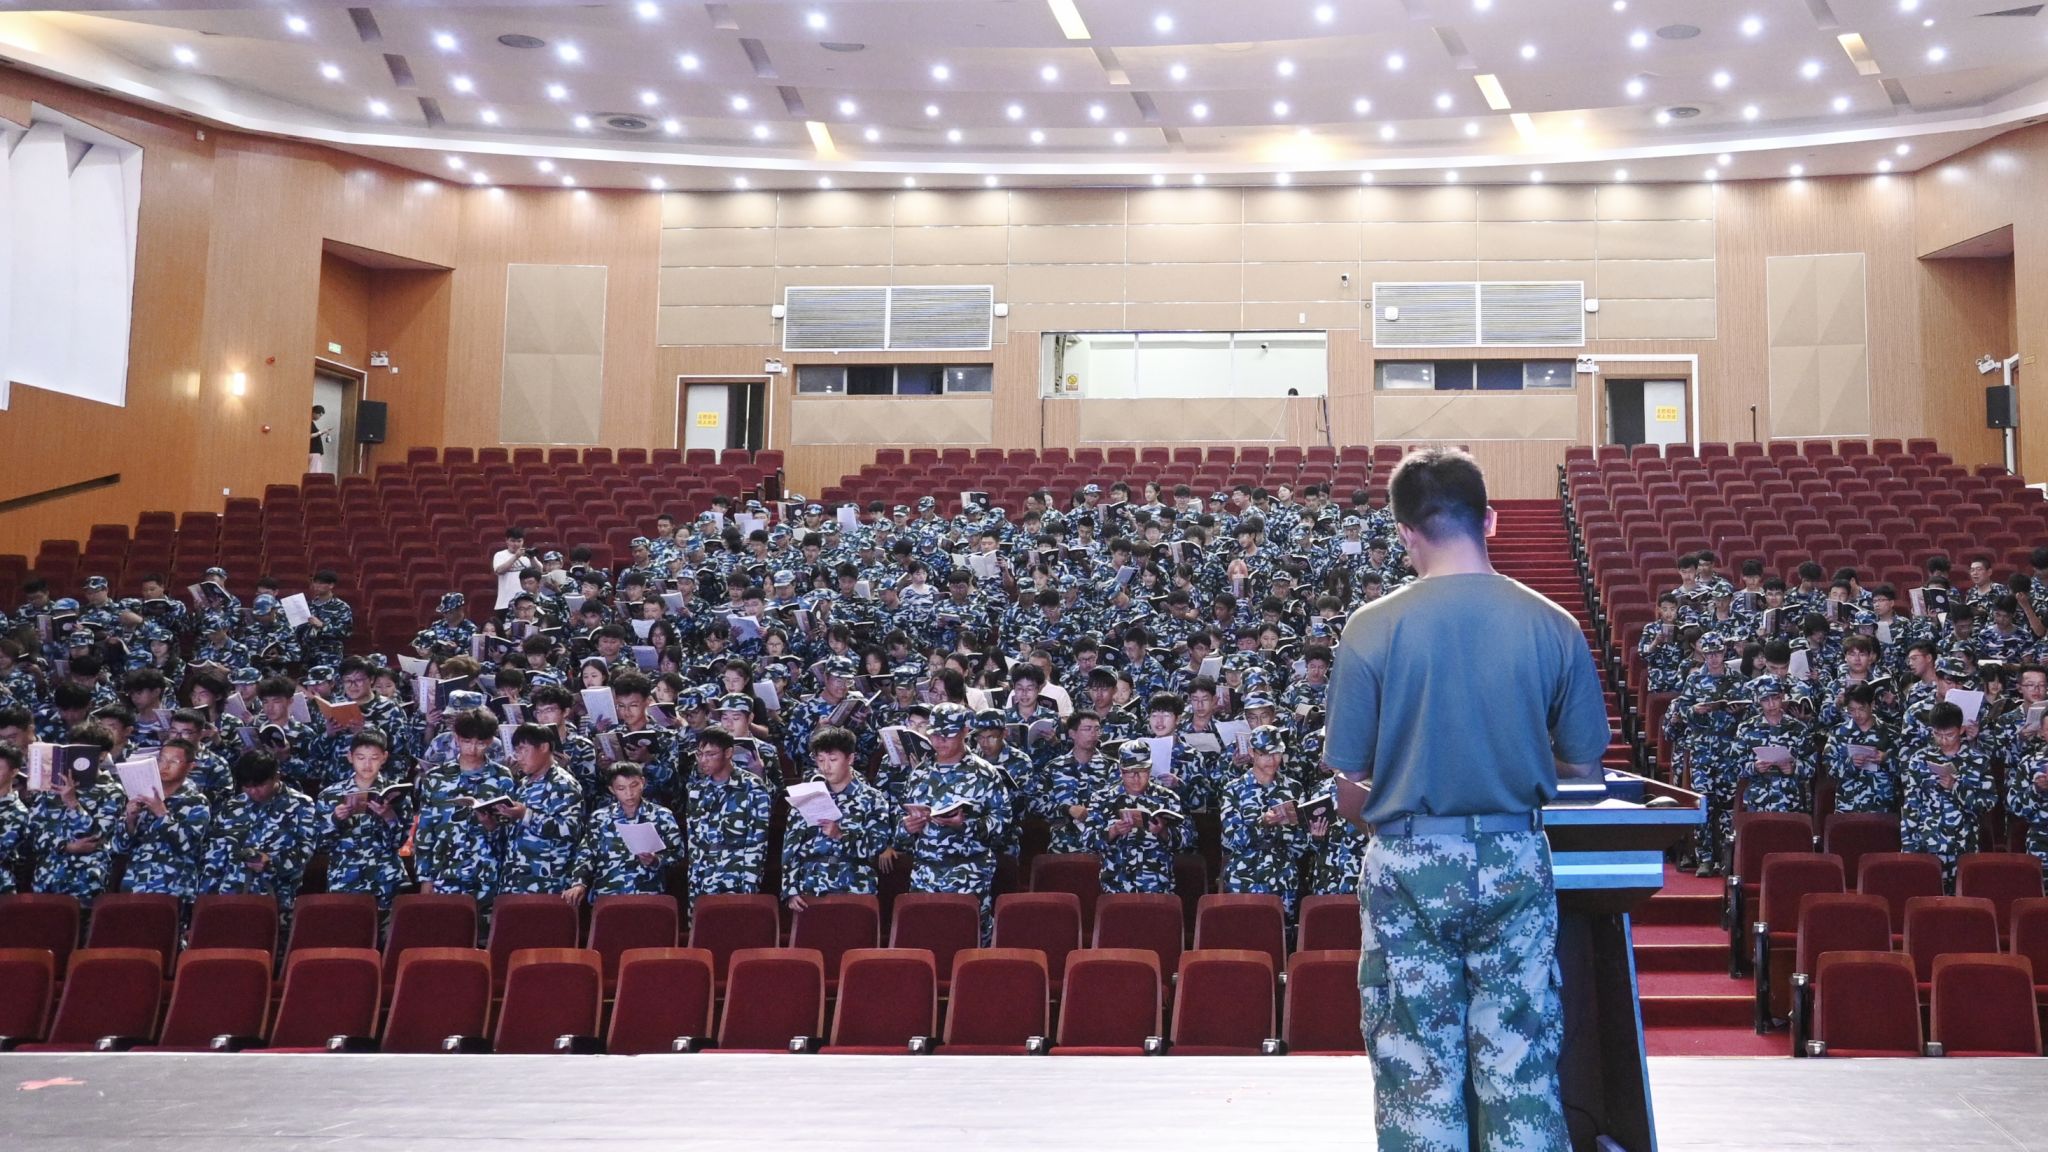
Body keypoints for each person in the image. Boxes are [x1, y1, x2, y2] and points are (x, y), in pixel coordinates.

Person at [1322, 448, 1610, 1152]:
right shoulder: (1553, 624)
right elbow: (1584, 765)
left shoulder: (1371, 627)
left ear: (1404, 531)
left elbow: (1348, 782)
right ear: (1490, 520)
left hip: (1408, 860)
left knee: (1416, 1067)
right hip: (1515, 854)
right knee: (1520, 1062)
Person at [780, 725, 897, 911]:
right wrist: (790, 889)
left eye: (833, 760)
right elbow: (791, 846)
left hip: (855, 885)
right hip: (811, 886)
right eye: (820, 760)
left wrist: (841, 836)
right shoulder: (809, 795)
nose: (825, 767)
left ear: (850, 759)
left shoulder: (871, 798)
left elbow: (877, 845)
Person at [200, 749, 322, 914]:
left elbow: (306, 849)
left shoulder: (301, 805)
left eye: (259, 785)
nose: (253, 791)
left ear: (276, 777)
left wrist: (272, 861)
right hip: (231, 892)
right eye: (247, 786)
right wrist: (206, 897)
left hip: (277, 894)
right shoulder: (233, 806)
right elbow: (215, 855)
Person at [315, 728, 411, 909]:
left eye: (374, 758)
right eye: (361, 758)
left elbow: (399, 843)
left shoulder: (395, 793)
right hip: (345, 878)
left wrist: (389, 817)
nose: (367, 764)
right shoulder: (330, 795)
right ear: (350, 757)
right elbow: (320, 845)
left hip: (386, 879)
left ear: (384, 757)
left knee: (388, 926)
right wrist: (335, 819)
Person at [565, 762, 681, 903]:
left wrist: (656, 860)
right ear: (612, 790)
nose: (629, 793)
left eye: (634, 785)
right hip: (607, 895)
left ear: (643, 782)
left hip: (647, 895)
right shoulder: (600, 818)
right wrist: (579, 883)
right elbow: (586, 853)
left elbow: (677, 854)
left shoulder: (662, 816)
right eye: (621, 788)